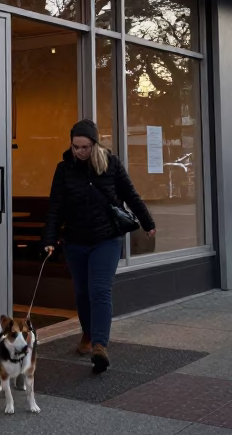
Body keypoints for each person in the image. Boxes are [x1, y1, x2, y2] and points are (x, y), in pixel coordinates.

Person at [42, 119, 155, 374]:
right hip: (75, 241)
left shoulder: (111, 165)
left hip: (106, 239)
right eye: (75, 147)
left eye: (84, 147)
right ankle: (88, 333)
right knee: (82, 292)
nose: (79, 152)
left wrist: (148, 222)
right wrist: (49, 239)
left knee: (100, 290)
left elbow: (131, 195)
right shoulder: (64, 169)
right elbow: (55, 207)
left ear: (94, 145)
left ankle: (100, 345)